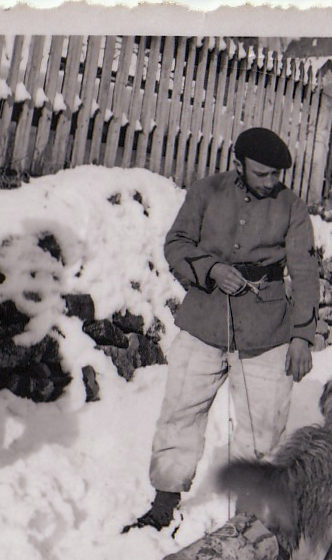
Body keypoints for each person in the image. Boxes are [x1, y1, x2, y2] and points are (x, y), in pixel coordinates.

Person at [125, 127, 320, 532]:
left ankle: (249, 516)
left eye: (277, 174)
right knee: (180, 410)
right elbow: (176, 243)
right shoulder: (206, 192)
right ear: (238, 164)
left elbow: (304, 272)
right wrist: (211, 269)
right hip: (205, 320)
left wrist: (302, 335)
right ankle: (164, 502)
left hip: (267, 329)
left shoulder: (292, 207)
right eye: (262, 173)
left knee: (263, 425)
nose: (272, 182)